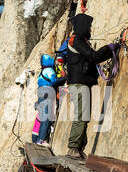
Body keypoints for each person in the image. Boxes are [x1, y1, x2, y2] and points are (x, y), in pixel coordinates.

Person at [63, 12, 118, 160]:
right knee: (81, 116)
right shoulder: (77, 40)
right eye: (89, 26)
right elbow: (93, 57)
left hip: (82, 82)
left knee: (84, 116)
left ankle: (79, 148)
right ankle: (73, 148)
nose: (91, 29)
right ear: (83, 26)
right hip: (79, 83)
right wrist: (109, 48)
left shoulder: (80, 40)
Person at [32, 53, 66, 147]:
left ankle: (40, 139)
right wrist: (65, 77)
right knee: (46, 118)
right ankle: (42, 140)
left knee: (44, 118)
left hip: (42, 94)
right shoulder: (49, 70)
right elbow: (54, 80)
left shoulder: (43, 71)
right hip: (47, 94)